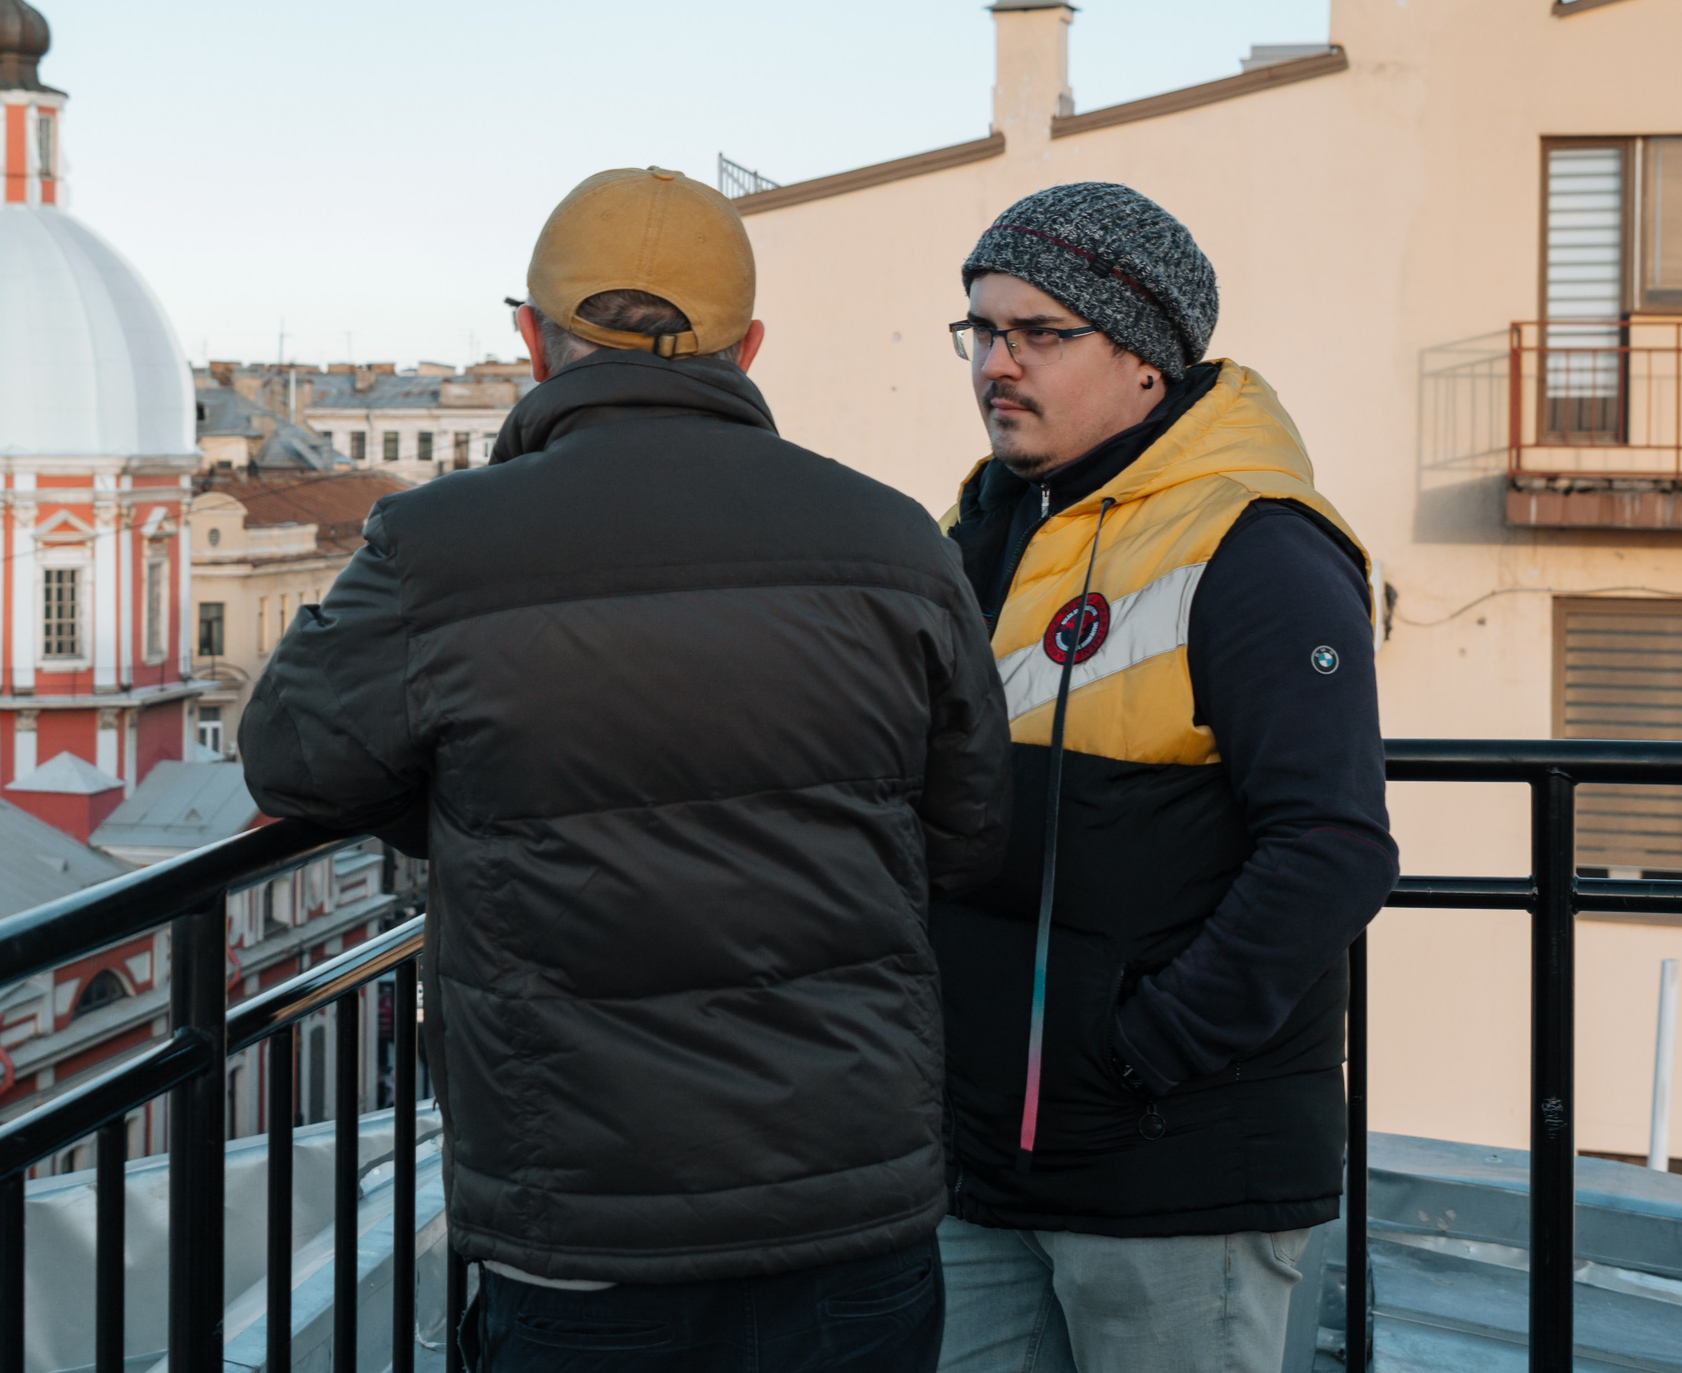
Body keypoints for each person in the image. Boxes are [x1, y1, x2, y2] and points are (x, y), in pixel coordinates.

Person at [242, 166, 1011, 1371]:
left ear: (530, 340)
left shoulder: (438, 546)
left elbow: (292, 763)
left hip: (581, 1213)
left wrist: (463, 810)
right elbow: (968, 832)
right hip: (844, 1204)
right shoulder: (894, 540)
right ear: (747, 348)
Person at [930, 182, 1399, 1373]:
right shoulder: (983, 530)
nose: (997, 363)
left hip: (1175, 1167)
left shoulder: (1256, 547)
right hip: (981, 1161)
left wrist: (1143, 1049)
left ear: (1144, 357)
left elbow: (1330, 846)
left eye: (1040, 333)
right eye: (981, 330)